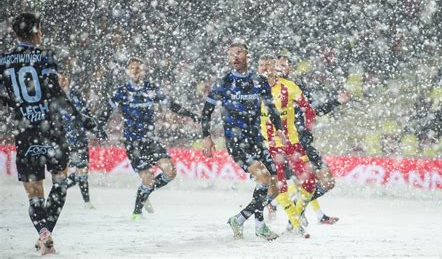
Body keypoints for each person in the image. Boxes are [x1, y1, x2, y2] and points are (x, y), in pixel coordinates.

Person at [0, 13, 94, 255]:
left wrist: (16, 105)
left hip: (25, 132)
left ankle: (43, 233)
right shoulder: (45, 56)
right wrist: (79, 117)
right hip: (51, 129)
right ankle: (47, 233)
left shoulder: (4, 60)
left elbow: (3, 96)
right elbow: (54, 92)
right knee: (60, 182)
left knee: (34, 194)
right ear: (36, 31)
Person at [201, 43, 286, 241]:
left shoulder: (259, 81)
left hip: (257, 139)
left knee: (275, 187)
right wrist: (206, 136)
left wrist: (279, 128)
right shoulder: (224, 82)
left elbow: (272, 108)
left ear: (247, 55)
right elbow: (207, 111)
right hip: (236, 141)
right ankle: (260, 226)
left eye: (239, 52)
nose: (235, 57)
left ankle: (240, 219)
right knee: (263, 178)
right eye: (231, 54)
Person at [97, 57, 199, 220]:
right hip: (133, 142)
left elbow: (171, 105)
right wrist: (99, 127)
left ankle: (146, 194)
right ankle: (136, 213)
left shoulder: (151, 89)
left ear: (144, 71)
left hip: (150, 140)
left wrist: (190, 114)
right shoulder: (122, 92)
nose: (136, 71)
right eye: (132, 68)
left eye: (139, 68)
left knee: (170, 171)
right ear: (128, 71)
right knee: (148, 179)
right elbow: (105, 111)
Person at [275, 51, 350, 225]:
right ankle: (291, 215)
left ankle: (298, 208)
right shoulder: (268, 88)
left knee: (328, 181)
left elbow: (314, 110)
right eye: (278, 65)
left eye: (284, 65)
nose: (280, 68)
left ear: (290, 68)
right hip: (287, 145)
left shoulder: (298, 88)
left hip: (305, 143)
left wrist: (336, 101)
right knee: (290, 183)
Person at [257, 54, 316, 238]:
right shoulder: (252, 91)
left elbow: (308, 109)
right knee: (279, 186)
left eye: (269, 66)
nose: (266, 69)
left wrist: (307, 126)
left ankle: (294, 217)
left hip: (292, 144)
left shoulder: (289, 87)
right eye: (262, 66)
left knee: (310, 182)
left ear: (276, 68)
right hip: (270, 147)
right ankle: (296, 224)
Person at [58, 73, 97, 209]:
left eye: (64, 78)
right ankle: (58, 190)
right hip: (62, 140)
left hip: (79, 138)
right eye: (59, 78)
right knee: (62, 172)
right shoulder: (53, 98)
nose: (62, 81)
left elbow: (86, 114)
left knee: (82, 170)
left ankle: (86, 201)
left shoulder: (76, 95)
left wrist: (92, 127)